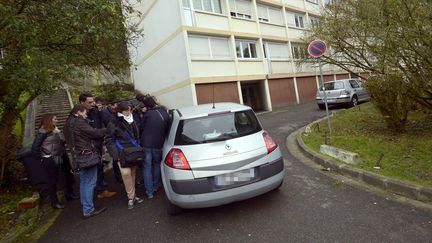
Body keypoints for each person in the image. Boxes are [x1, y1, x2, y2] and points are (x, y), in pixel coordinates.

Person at [63, 104, 107, 218]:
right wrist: (107, 129)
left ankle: (86, 205)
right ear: (78, 112)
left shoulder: (68, 123)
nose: (86, 114)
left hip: (78, 156)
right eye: (84, 112)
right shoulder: (79, 122)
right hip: (86, 156)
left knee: (84, 182)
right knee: (89, 182)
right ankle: (88, 210)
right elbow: (94, 133)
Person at [105, 101, 144, 209]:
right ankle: (131, 197)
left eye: (130, 109)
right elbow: (109, 140)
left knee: (133, 174)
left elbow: (137, 136)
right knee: (126, 174)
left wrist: (139, 147)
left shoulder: (133, 119)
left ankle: (133, 195)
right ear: (121, 111)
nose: (129, 111)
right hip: (122, 154)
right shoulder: (114, 122)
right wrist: (115, 156)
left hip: (134, 152)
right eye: (126, 110)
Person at [79, 92, 116, 199]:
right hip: (88, 147)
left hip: (98, 144)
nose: (92, 104)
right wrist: (103, 131)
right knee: (89, 174)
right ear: (82, 102)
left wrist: (100, 111)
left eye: (93, 102)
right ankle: (91, 198)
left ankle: (101, 190)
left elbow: (107, 120)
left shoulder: (96, 111)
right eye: (89, 102)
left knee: (99, 167)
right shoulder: (79, 114)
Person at [31, 113, 67, 209]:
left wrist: (58, 132)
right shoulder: (42, 132)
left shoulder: (53, 130)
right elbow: (34, 148)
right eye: (55, 119)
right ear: (49, 120)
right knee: (52, 181)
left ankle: (56, 201)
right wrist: (42, 158)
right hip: (49, 159)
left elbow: (62, 141)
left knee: (55, 180)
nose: (57, 120)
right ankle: (54, 202)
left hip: (56, 157)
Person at [139, 96, 170, 198]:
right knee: (156, 164)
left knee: (147, 167)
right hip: (158, 144)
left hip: (146, 144)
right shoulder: (165, 114)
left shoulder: (147, 114)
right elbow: (167, 129)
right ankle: (156, 186)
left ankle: (149, 192)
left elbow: (141, 127)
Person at [100, 100, 123, 183]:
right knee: (115, 158)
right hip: (112, 137)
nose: (116, 110)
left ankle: (120, 175)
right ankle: (118, 176)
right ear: (111, 105)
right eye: (115, 107)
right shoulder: (104, 113)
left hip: (118, 137)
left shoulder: (116, 113)